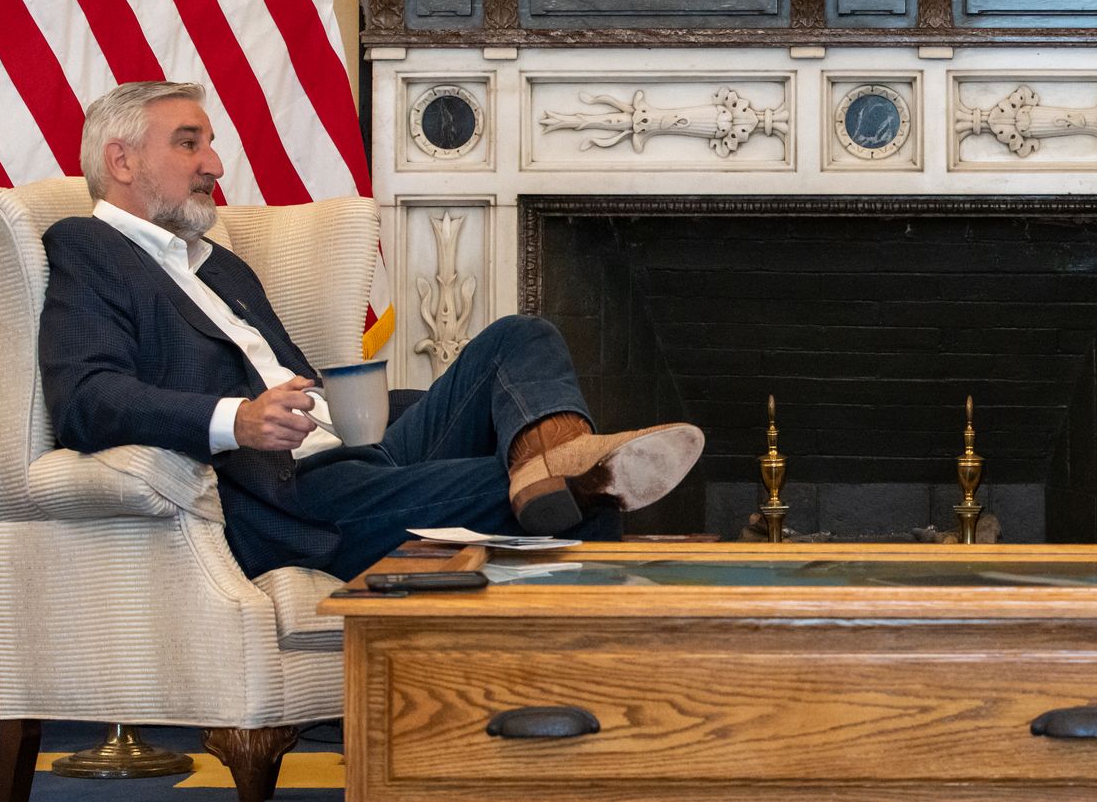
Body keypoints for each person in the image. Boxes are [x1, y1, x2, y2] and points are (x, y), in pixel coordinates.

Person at [39, 82, 703, 581]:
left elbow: (296, 382)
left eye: (210, 144)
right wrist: (236, 420)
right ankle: (590, 675)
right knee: (580, 493)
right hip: (292, 495)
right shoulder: (89, 247)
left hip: (362, 452)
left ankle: (556, 458)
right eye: (189, 143)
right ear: (121, 160)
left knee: (520, 338)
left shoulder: (222, 267)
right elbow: (85, 401)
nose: (214, 163)